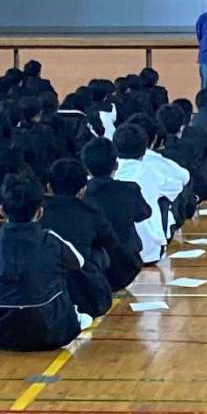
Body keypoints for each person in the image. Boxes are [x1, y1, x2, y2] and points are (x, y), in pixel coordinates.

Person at [0, 173, 90, 351]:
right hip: (51, 333)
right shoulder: (50, 239)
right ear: (40, 212)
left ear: (2, 210)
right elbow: (79, 263)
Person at [42, 159, 118, 318]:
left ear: (49, 187)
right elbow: (112, 242)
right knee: (99, 252)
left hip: (41, 285)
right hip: (81, 291)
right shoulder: (90, 212)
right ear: (83, 190)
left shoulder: (38, 209)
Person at [82, 138, 151, 291]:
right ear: (116, 165)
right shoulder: (130, 189)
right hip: (128, 265)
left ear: (86, 167)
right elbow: (145, 213)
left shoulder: (83, 194)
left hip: (95, 268)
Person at [113, 124, 169, 264]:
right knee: (164, 200)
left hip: (118, 250)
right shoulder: (149, 170)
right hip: (150, 249)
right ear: (145, 149)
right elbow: (178, 183)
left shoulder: (111, 170)